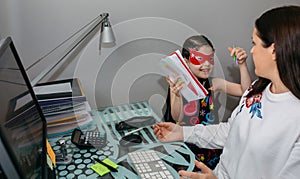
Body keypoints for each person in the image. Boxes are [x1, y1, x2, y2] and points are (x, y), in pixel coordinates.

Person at [155, 5, 300, 179]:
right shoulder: (256, 89)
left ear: (274, 50)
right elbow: (230, 131)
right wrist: (181, 132)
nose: (251, 50)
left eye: (255, 43)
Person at [163, 35, 251, 169]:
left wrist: (242, 65)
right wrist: (176, 94)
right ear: (186, 61)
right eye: (199, 59)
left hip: (210, 149)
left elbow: (246, 92)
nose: (206, 64)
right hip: (185, 150)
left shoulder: (214, 84)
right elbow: (177, 117)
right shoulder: (178, 85)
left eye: (210, 59)